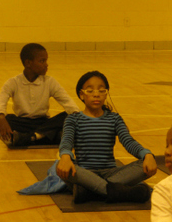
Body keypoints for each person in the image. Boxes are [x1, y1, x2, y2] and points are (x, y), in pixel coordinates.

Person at [56, 71, 157, 204]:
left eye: (101, 90)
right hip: (84, 174)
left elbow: (128, 142)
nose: (96, 94)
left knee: (143, 165)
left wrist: (147, 155)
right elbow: (66, 142)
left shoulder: (114, 119)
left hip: (113, 174)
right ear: (81, 95)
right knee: (61, 167)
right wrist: (65, 156)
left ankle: (90, 192)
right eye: (90, 90)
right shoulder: (73, 119)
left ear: (106, 94)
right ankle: (123, 192)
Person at [0, 43, 80, 147]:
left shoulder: (50, 82)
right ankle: (45, 135)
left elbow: (67, 101)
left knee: (68, 117)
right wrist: (1, 117)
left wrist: (78, 116)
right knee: (0, 121)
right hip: (22, 123)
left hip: (43, 122)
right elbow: (0, 102)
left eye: (46, 60)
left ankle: (29, 137)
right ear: (28, 63)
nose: (46, 64)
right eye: (42, 61)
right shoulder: (13, 82)